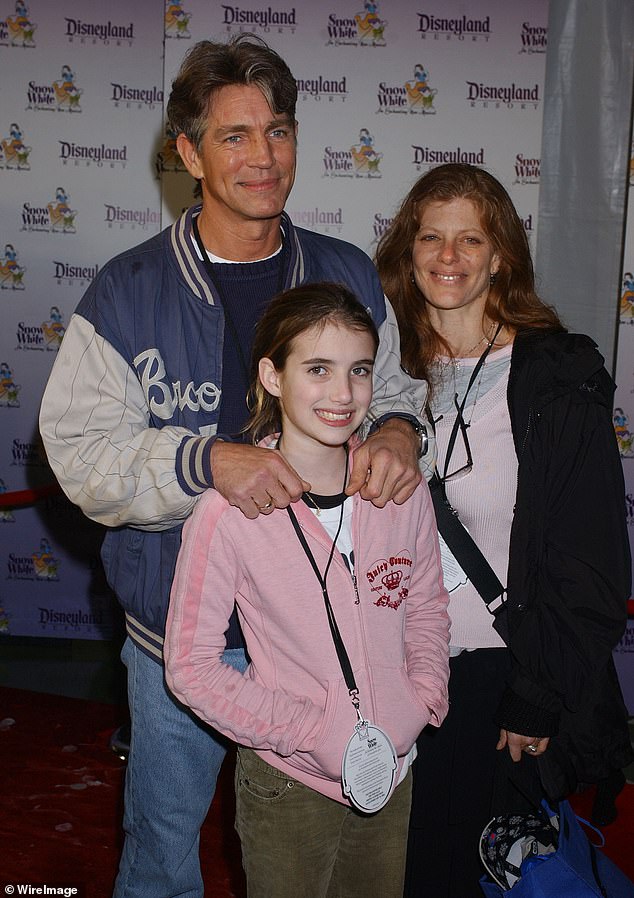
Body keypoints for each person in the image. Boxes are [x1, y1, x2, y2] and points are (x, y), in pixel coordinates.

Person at [38, 35, 431, 898]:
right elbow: (78, 454)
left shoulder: (345, 269)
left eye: (278, 130)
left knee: (319, 871)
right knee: (162, 858)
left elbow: (401, 388)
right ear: (188, 153)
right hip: (182, 647)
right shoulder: (127, 289)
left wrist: (402, 429)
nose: (263, 156)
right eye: (235, 135)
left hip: (328, 648)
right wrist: (204, 460)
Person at [374, 162, 633, 898]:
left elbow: (589, 562)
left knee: (455, 874)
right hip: (387, 669)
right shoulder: (376, 368)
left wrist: (537, 694)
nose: (448, 256)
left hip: (495, 679)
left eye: (471, 239)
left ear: (501, 257)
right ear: (407, 250)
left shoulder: (557, 376)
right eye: (431, 237)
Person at [164, 282, 450, 898]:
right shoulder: (227, 512)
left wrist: (421, 698)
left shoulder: (399, 488)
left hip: (393, 767)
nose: (343, 394)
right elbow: (190, 667)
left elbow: (426, 604)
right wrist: (310, 733)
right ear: (273, 376)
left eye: (359, 370)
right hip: (289, 781)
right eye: (318, 369)